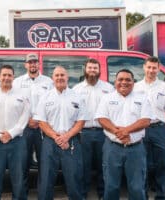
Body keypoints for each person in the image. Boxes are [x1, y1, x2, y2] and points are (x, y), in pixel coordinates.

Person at [95, 69, 153, 200]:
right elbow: (102, 118)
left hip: (135, 149)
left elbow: (146, 120)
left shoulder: (142, 98)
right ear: (115, 82)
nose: (124, 82)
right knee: (111, 187)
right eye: (120, 79)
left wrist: (126, 131)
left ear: (133, 82)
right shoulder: (107, 98)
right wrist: (118, 132)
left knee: (137, 188)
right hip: (112, 148)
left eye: (128, 80)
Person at [35, 66, 86, 200]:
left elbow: (81, 121)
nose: (59, 78)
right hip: (50, 142)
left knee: (74, 177)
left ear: (67, 77)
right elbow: (41, 121)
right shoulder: (45, 97)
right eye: (57, 75)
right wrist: (56, 137)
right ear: (52, 78)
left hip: (71, 142)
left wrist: (67, 137)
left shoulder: (77, 97)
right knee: (46, 178)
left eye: (62, 75)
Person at [0, 65, 30, 200]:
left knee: (18, 177)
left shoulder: (21, 95)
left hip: (17, 142)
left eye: (9, 75)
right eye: (4, 75)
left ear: (13, 77)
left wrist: (11, 134)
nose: (6, 78)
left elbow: (24, 117)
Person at [134, 56, 165, 200]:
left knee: (161, 164)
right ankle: (143, 194)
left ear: (158, 69)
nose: (151, 70)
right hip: (141, 129)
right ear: (144, 68)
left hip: (159, 129)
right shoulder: (136, 87)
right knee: (142, 164)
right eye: (149, 67)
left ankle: (161, 195)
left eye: (154, 68)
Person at [73, 58, 114, 199]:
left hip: (104, 133)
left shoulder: (108, 88)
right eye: (90, 68)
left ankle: (103, 193)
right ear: (85, 70)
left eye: (95, 68)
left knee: (104, 165)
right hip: (83, 133)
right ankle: (83, 193)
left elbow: (113, 110)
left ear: (99, 70)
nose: (92, 71)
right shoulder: (77, 89)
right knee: (83, 166)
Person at [13, 53, 53, 191]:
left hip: (43, 128)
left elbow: (51, 103)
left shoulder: (48, 82)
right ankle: (21, 193)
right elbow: (15, 105)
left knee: (44, 162)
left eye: (35, 61)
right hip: (24, 128)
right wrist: (27, 120)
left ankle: (43, 193)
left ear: (38, 64)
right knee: (22, 162)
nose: (33, 64)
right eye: (30, 62)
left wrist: (39, 120)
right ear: (26, 64)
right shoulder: (17, 82)